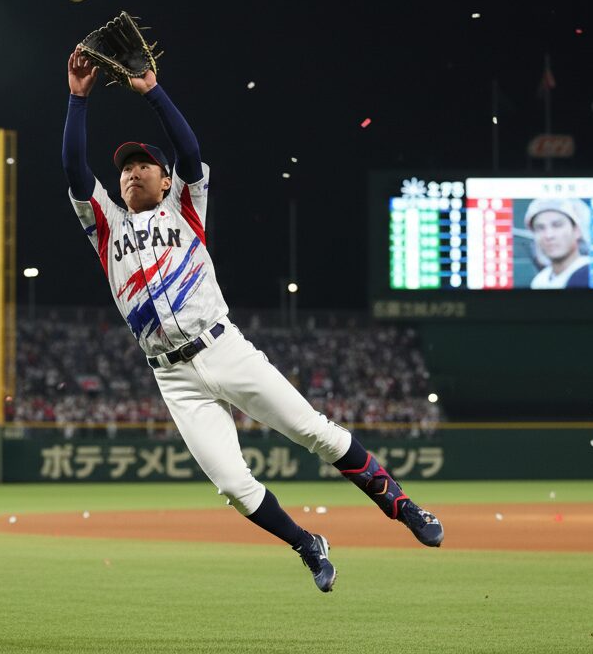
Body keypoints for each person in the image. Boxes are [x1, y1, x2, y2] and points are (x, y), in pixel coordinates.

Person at [62, 47, 442, 593]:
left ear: (166, 182)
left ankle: (405, 509)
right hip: (172, 376)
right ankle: (307, 544)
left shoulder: (183, 208)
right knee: (234, 487)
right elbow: (75, 171)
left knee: (314, 430)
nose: (131, 172)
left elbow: (189, 151)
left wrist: (152, 92)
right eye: (124, 168)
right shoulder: (106, 228)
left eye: (143, 164)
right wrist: (77, 99)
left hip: (222, 347)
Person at [525, 198, 592, 289]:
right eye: (540, 228)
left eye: (557, 225)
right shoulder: (539, 281)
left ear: (577, 230)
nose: (549, 235)